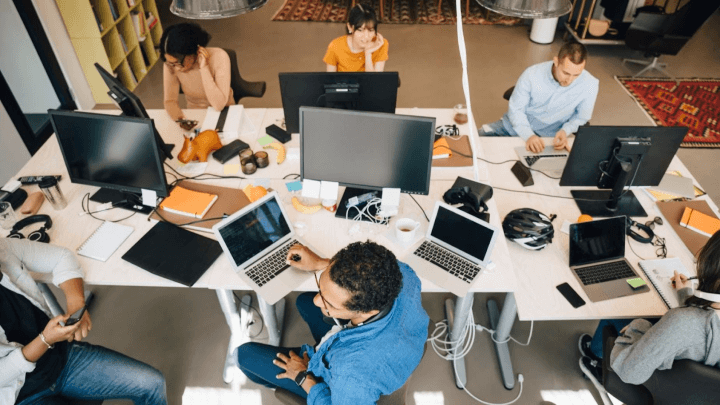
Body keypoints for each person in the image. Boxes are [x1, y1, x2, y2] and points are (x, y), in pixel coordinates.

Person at [236, 241, 429, 404]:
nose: (317, 300)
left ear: (367, 311)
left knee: (244, 356)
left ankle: (282, 383)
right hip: (395, 339)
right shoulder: (401, 273)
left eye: (330, 303)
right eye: (321, 287)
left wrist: (303, 376)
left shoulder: (352, 373)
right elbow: (362, 271)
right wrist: (322, 264)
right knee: (303, 301)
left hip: (343, 376)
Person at [0, 238, 167, 405]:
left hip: (60, 358)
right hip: (20, 395)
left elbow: (61, 256)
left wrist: (76, 303)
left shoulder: (4, 248)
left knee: (152, 383)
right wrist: (45, 339)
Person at [578, 230, 720, 386]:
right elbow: (699, 329)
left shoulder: (682, 321)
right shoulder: (696, 321)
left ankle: (597, 360)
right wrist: (686, 295)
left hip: (650, 379)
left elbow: (629, 372)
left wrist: (638, 326)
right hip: (697, 389)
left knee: (618, 314)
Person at [479, 42, 599, 153]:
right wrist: (528, 135)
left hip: (549, 138)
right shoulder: (531, 74)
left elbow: (581, 117)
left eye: (576, 75)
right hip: (514, 127)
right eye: (566, 73)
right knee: (473, 140)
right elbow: (516, 110)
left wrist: (565, 131)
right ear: (556, 62)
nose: (570, 80)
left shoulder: (590, 84)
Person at [160, 23, 233, 131]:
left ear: (191, 53)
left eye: (177, 63)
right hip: (196, 116)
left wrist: (204, 67)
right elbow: (170, 101)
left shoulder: (219, 56)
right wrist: (181, 120)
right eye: (171, 64)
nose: (175, 69)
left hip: (225, 113)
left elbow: (218, 105)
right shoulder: (171, 65)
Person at [324, 4, 388, 72]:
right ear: (350, 27)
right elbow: (330, 80)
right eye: (360, 30)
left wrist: (368, 54)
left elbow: (375, 81)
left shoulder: (380, 44)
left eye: (371, 30)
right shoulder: (335, 46)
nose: (366, 36)